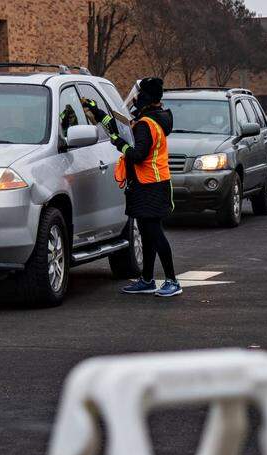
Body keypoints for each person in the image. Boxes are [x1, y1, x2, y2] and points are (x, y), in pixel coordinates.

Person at [84, 77, 180, 297]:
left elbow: (137, 155)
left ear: (146, 97)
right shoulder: (153, 118)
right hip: (148, 184)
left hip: (150, 186)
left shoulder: (147, 124)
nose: (135, 99)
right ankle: (147, 279)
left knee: (155, 234)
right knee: (146, 234)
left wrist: (119, 143)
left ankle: (172, 281)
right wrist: (97, 112)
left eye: (139, 95)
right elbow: (120, 125)